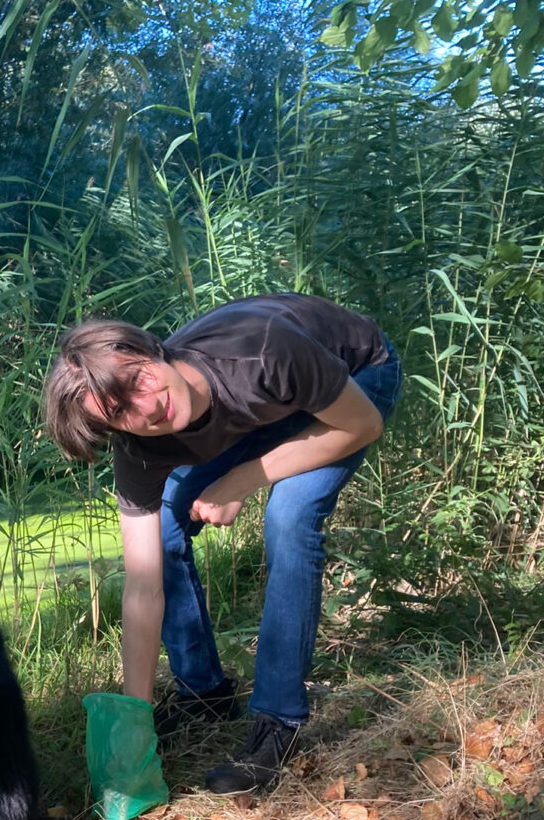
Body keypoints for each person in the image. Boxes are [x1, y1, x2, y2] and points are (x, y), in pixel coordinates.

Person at [41, 293, 401, 794]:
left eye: (138, 380)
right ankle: (203, 694)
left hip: (353, 379)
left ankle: (278, 721)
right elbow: (143, 586)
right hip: (267, 406)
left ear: (151, 350)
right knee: (164, 526)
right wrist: (134, 718)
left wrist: (243, 479)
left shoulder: (263, 351)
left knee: (289, 516)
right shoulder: (140, 448)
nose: (149, 407)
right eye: (120, 412)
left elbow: (364, 425)